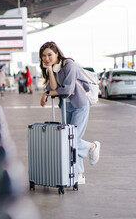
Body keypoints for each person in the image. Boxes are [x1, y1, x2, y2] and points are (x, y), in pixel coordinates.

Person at [39, 41, 101, 185]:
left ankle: (93, 147)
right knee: (71, 139)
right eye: (43, 56)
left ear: (57, 54)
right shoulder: (54, 68)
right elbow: (52, 86)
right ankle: (79, 175)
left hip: (80, 105)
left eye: (50, 54)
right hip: (66, 107)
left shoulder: (69, 65)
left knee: (72, 139)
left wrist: (48, 92)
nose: (46, 58)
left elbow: (66, 90)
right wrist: (49, 71)